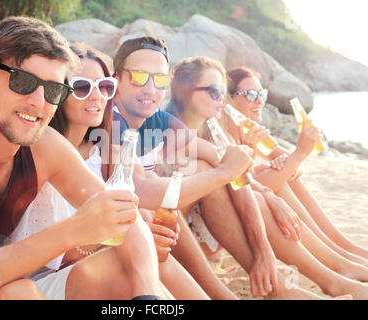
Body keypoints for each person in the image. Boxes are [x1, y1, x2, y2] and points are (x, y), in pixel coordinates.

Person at [0, 17, 166, 300]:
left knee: (124, 270)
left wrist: (148, 297)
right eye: (23, 82)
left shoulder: (44, 145)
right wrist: (70, 232)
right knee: (19, 293)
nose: (39, 102)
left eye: (53, 90)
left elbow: (126, 218)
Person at [111, 36, 336, 299]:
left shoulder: (161, 120)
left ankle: (286, 284)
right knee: (200, 171)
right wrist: (292, 157)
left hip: (158, 227)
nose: (150, 88)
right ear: (116, 79)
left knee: (209, 169)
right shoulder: (111, 121)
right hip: (122, 234)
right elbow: (143, 189)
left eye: (159, 80)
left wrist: (265, 241)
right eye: (138, 77)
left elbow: (229, 163)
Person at [7, 42, 210, 300]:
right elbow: (46, 257)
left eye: (104, 87)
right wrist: (116, 239)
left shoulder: (102, 152)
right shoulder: (38, 150)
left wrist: (143, 232)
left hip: (87, 274)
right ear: (58, 91)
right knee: (123, 262)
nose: (97, 96)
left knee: (153, 257)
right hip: (35, 281)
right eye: (82, 87)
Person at [167, 55, 368, 299]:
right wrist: (292, 160)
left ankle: (339, 259)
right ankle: (328, 272)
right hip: (185, 240)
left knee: (266, 186)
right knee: (233, 182)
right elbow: (234, 174)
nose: (258, 101)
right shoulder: (179, 131)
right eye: (213, 91)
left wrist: (273, 172)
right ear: (183, 91)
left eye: (261, 94)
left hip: (212, 226)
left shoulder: (212, 126)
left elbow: (272, 168)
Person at [225, 66, 368, 266]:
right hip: (231, 210)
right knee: (278, 176)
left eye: (261, 93)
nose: (259, 100)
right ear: (228, 100)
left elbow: (295, 169)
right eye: (250, 94)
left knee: (282, 174)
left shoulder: (251, 130)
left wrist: (289, 161)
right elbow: (239, 186)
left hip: (251, 197)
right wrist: (297, 155)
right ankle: (335, 252)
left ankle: (341, 246)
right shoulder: (222, 135)